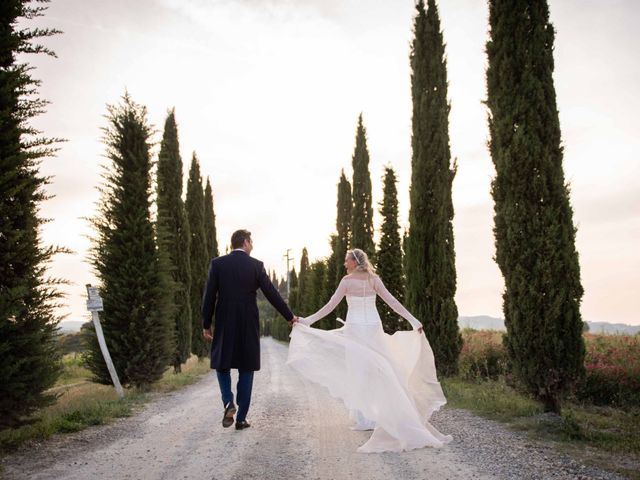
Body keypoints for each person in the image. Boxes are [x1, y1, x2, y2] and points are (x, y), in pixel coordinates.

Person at [287, 248, 452, 453]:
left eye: (346, 260)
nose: (344, 264)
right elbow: (392, 302)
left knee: (358, 371)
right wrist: (413, 319)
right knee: (379, 371)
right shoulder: (373, 279)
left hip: (356, 329)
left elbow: (331, 305)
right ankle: (374, 416)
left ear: (355, 262)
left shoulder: (347, 282)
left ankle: (365, 418)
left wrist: (308, 321)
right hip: (373, 327)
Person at [202, 229, 297, 430]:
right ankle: (241, 419)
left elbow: (209, 296)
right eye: (251, 242)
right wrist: (289, 316)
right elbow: (271, 293)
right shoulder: (256, 266)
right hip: (248, 322)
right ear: (245, 242)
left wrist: (205, 323)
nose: (252, 245)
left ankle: (228, 401)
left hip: (225, 321)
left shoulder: (218, 264)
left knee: (222, 364)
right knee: (246, 367)